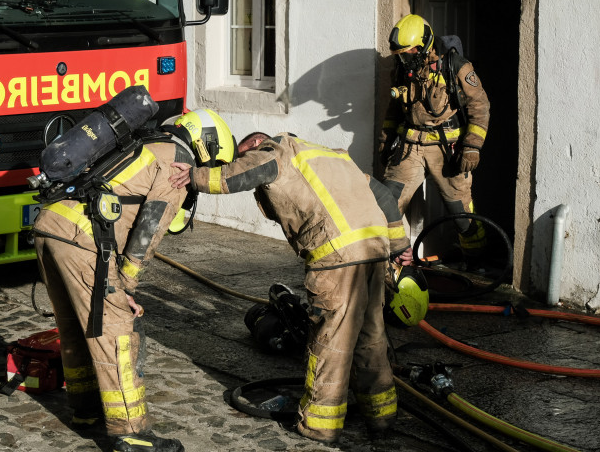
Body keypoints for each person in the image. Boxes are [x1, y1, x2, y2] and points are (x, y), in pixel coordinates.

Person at [170, 129, 414, 444]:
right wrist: (398, 243)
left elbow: (245, 172)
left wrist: (195, 177)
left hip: (338, 257)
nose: (246, 159)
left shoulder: (277, 151)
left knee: (331, 344)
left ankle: (319, 426)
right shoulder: (331, 155)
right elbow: (381, 193)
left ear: (257, 144)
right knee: (370, 337)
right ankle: (382, 416)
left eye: (245, 152)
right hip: (374, 250)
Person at [33, 109, 235, 452]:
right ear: (208, 145)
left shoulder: (145, 142)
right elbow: (150, 229)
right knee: (115, 332)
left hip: (49, 224)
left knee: (74, 327)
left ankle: (85, 411)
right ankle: (131, 432)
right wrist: (126, 284)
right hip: (83, 236)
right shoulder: (178, 163)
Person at [379, 14, 491, 257]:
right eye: (401, 53)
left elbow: (480, 107)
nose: (404, 58)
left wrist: (472, 146)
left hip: (446, 150)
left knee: (460, 212)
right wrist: (385, 140)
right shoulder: (402, 69)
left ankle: (477, 261)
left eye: (409, 52)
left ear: (424, 44)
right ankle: (390, 262)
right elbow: (393, 110)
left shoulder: (456, 67)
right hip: (409, 148)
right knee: (386, 204)